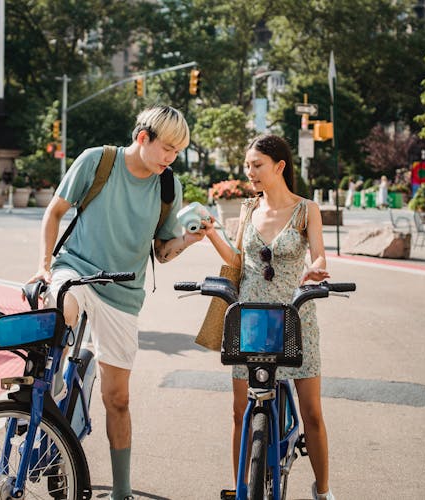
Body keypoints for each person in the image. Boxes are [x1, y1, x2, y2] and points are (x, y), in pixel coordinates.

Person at [25, 105, 207, 500]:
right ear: (143, 138)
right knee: (60, 309)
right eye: (167, 148)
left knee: (118, 399)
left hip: (123, 292)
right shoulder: (98, 161)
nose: (171, 158)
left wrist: (187, 241)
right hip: (77, 269)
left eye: (177, 152)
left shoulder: (167, 186)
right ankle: (43, 396)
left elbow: (162, 251)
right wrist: (43, 267)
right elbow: (54, 212)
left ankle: (121, 491)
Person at [202, 134, 335, 500]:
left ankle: (323, 492)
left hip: (296, 319)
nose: (250, 173)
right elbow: (236, 261)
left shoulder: (307, 209)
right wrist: (212, 232)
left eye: (257, 165)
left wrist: (317, 270)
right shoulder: (247, 210)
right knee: (239, 412)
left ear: (279, 166)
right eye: (247, 166)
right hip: (251, 322)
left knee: (312, 414)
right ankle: (242, 488)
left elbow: (319, 255)